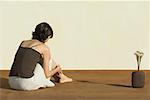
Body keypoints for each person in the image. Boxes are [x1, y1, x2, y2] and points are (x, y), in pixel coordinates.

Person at [8, 22, 72, 91]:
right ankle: (61, 76)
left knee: (39, 59)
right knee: (48, 59)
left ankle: (61, 77)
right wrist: (57, 69)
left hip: (12, 82)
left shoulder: (23, 42)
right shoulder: (44, 48)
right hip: (25, 84)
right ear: (46, 37)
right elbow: (47, 74)